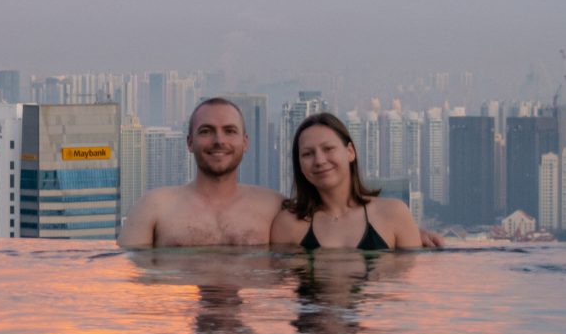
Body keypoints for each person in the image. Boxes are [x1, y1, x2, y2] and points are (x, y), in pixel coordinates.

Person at [118, 97, 281, 247]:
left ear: (245, 142)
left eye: (230, 131)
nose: (219, 141)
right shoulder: (154, 207)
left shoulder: (275, 208)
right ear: (189, 142)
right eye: (206, 131)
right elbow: (125, 270)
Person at [269, 112, 424, 250]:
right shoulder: (288, 224)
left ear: (350, 152)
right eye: (308, 154)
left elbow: (410, 278)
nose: (319, 160)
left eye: (328, 149)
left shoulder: (394, 214)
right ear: (299, 165)